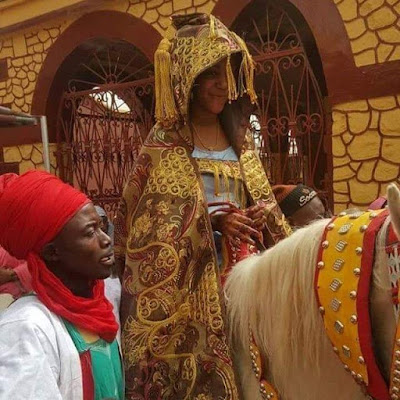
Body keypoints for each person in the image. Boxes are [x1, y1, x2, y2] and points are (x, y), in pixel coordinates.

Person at [114, 13, 291, 399]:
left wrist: (258, 216)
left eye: (227, 74)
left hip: (247, 266)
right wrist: (212, 226)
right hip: (191, 279)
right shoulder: (164, 143)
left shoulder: (240, 139)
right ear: (188, 79)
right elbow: (151, 225)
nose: (221, 85)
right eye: (211, 74)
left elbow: (259, 201)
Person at [0, 170, 123, 400]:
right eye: (90, 232)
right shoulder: (27, 328)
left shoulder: (100, 310)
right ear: (52, 252)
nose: (106, 240)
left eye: (101, 227)